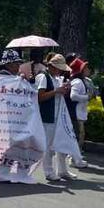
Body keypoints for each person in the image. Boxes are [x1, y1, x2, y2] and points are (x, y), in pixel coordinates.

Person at [35, 54, 74, 182]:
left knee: (59, 142)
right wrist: (57, 91)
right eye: (57, 68)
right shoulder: (43, 77)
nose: (59, 70)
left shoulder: (54, 77)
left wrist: (63, 90)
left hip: (57, 116)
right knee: (47, 145)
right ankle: (48, 171)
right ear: (51, 66)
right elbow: (40, 97)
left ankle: (62, 170)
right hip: (47, 116)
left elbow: (56, 94)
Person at [68, 58, 96, 168]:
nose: (88, 70)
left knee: (80, 135)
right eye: (86, 68)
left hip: (80, 112)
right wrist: (86, 97)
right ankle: (74, 158)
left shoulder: (82, 81)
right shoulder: (78, 82)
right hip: (77, 113)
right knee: (79, 135)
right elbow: (73, 96)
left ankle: (76, 157)